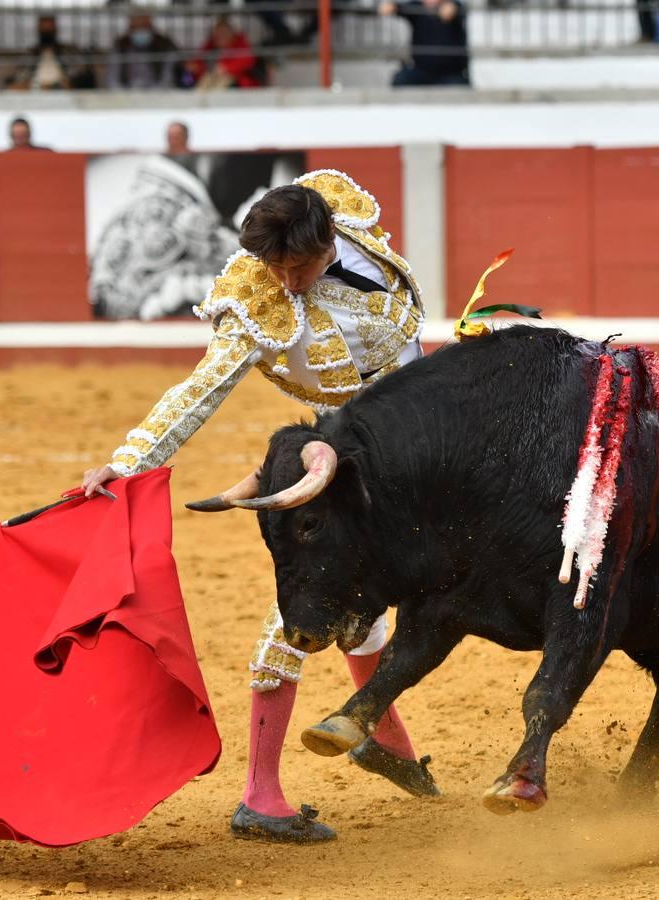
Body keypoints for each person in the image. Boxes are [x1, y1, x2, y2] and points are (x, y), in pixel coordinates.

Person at [79, 171, 437, 842]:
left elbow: (408, 346)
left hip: (414, 449)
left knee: (373, 596)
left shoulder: (350, 222)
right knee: (298, 618)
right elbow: (201, 389)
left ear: (329, 240)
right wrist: (128, 463)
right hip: (332, 464)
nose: (286, 283)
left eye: (296, 267)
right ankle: (260, 796)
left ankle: (384, 741)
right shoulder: (256, 296)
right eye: (274, 269)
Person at [379, 0, 471, 87]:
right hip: (422, 71)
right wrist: (391, 6)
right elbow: (396, 7)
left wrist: (452, 8)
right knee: (400, 80)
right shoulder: (416, 7)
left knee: (461, 86)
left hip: (450, 73)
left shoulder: (454, 6)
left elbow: (457, 8)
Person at [4, 15, 96, 90]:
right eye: (44, 28)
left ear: (55, 29)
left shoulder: (66, 51)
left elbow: (76, 74)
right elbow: (20, 76)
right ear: (38, 30)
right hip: (34, 89)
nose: (47, 30)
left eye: (49, 28)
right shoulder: (31, 53)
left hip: (62, 89)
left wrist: (66, 83)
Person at [179, 17, 266, 90]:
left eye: (224, 33)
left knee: (222, 79)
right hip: (212, 79)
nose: (220, 37)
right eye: (217, 34)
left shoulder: (240, 44)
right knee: (197, 79)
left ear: (231, 33)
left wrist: (226, 69)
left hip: (239, 84)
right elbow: (199, 62)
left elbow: (248, 60)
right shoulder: (210, 46)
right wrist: (194, 67)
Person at [107, 14, 179, 89]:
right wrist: (124, 95)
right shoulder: (121, 46)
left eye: (144, 27)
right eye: (136, 28)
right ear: (130, 29)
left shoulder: (165, 45)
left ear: (151, 26)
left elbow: (168, 79)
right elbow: (112, 80)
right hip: (127, 94)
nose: (140, 30)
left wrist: (154, 95)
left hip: (158, 94)